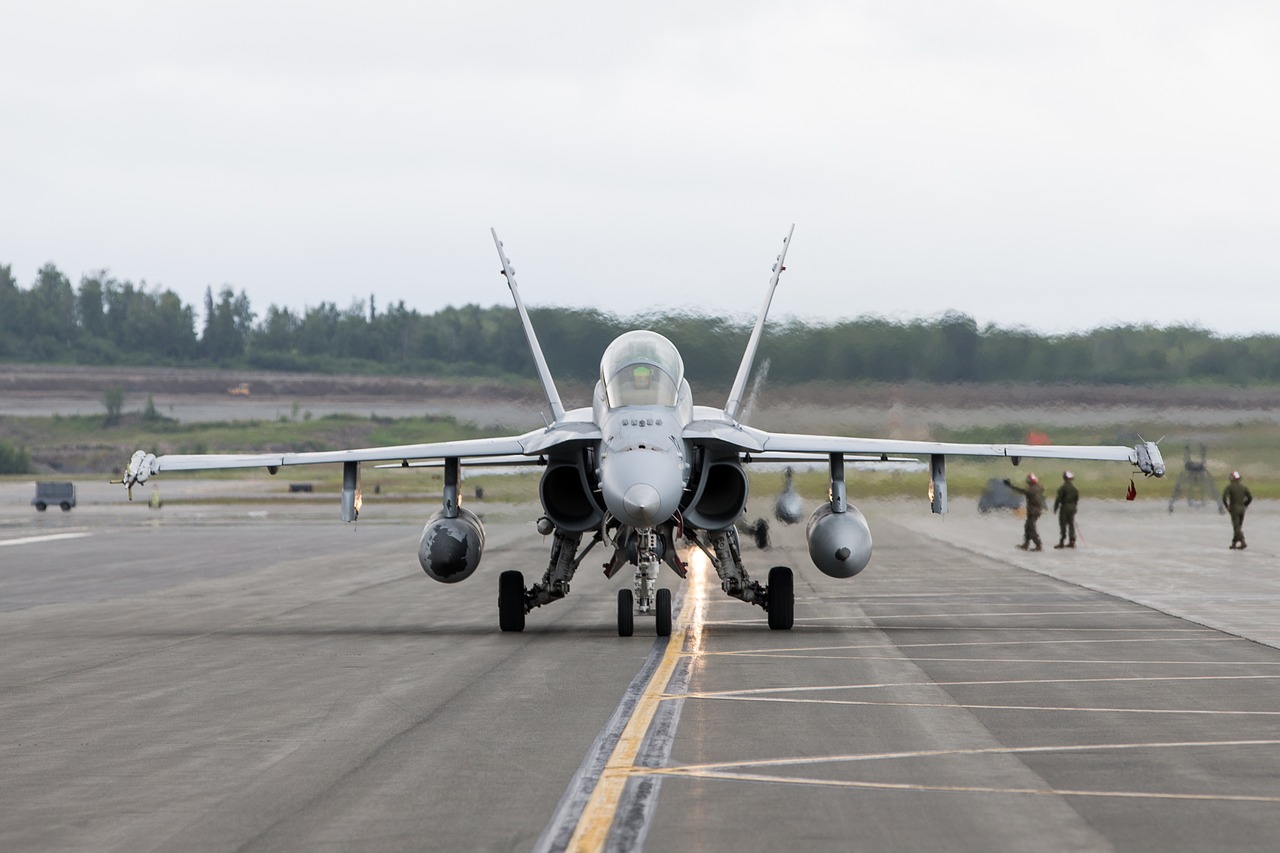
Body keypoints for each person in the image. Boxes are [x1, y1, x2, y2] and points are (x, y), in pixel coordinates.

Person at [1003, 473, 1045, 551]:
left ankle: (1038, 545)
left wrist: (1010, 486)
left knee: (1031, 528)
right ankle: (1026, 544)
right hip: (1035, 511)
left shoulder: (1031, 489)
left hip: (1033, 511)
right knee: (1027, 527)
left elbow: (1021, 491)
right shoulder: (1039, 487)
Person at [1222, 470, 1253, 550]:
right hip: (1242, 509)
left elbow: (1224, 497)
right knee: (1238, 526)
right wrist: (1245, 504)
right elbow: (1250, 497)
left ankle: (1242, 541)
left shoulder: (1230, 487)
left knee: (1236, 527)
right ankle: (1234, 543)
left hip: (1234, 509)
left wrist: (1227, 506)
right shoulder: (1244, 487)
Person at [1053, 470, 1079, 548]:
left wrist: (1055, 508)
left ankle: (1062, 542)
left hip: (1065, 507)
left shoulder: (1063, 488)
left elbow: (1059, 499)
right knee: (1071, 524)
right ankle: (1072, 541)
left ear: (1064, 478)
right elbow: (1076, 499)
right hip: (1072, 507)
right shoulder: (1075, 489)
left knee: (1063, 524)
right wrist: (1074, 508)